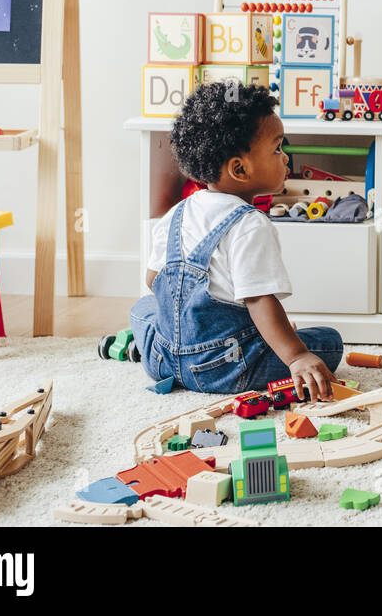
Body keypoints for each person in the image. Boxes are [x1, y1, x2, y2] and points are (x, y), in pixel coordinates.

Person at [129, 82, 342, 401]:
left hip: (165, 359)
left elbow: (152, 280)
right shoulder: (250, 223)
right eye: (277, 148)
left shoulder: (178, 212)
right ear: (240, 169)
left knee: (142, 309)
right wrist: (296, 356)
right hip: (225, 367)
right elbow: (260, 301)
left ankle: (143, 349)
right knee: (329, 343)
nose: (285, 159)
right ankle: (281, 352)